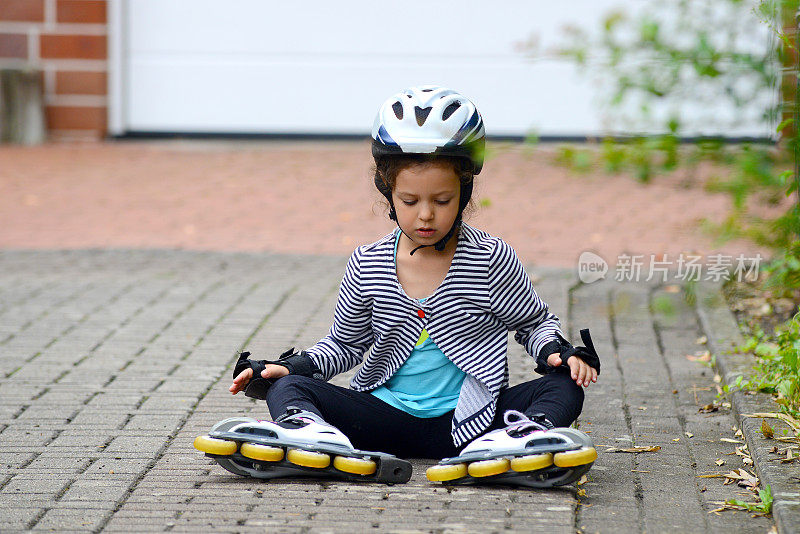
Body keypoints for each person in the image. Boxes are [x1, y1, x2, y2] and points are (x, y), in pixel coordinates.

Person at [197, 85, 600, 487]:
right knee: (288, 386)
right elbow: (345, 344)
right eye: (410, 201)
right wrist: (293, 366)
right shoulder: (367, 263)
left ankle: (524, 438)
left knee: (566, 386)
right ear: (388, 193)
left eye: (441, 201)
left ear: (464, 193)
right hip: (384, 419)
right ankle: (307, 435)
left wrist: (555, 351)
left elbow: (532, 322)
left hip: (475, 421)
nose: (425, 215)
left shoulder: (491, 258)